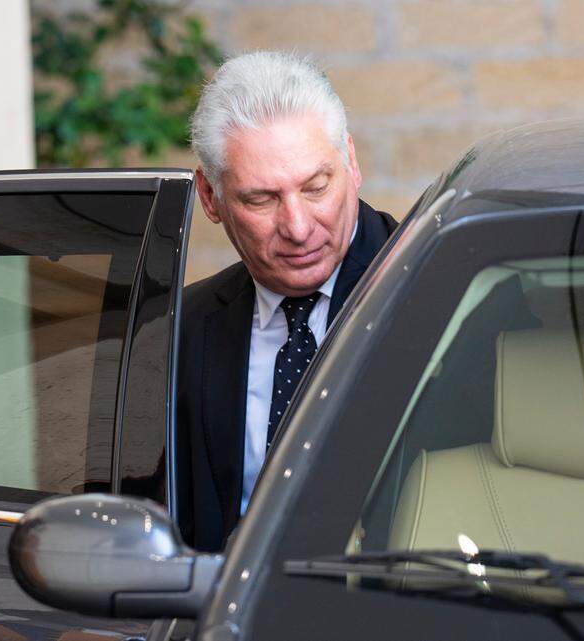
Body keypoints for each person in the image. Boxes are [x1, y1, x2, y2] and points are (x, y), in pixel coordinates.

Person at [176, 51, 399, 552]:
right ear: (210, 198)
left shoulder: (428, 292)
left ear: (352, 164)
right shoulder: (183, 329)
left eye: (316, 187)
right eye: (261, 199)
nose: (298, 228)